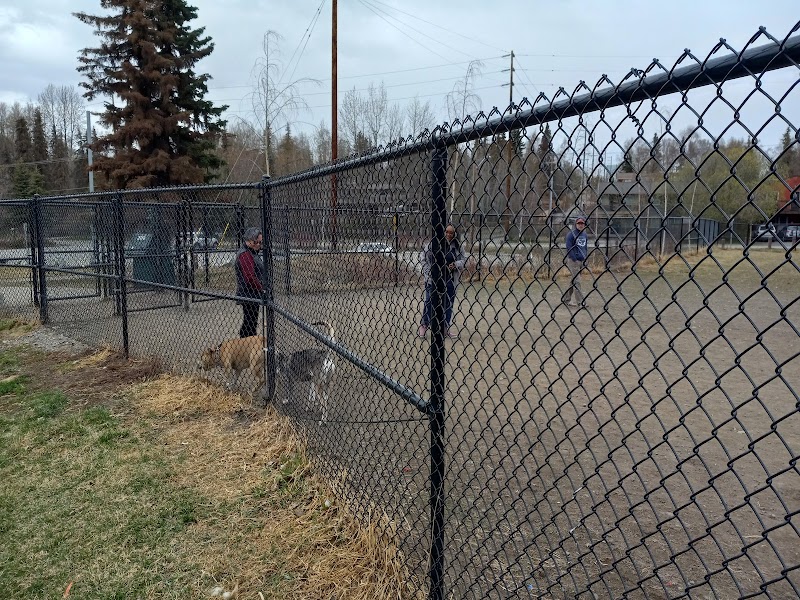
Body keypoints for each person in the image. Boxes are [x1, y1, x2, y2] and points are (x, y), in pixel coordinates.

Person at [418, 224, 466, 339]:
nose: (449, 234)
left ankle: (445, 327)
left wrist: (456, 264)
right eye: (447, 232)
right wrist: (429, 272)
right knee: (430, 302)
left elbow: (463, 260)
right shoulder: (434, 243)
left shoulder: (458, 246)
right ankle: (424, 326)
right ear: (443, 232)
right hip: (433, 280)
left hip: (449, 279)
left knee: (448, 304)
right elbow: (423, 258)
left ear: (455, 234)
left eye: (451, 233)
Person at [234, 227, 264, 338]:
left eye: (261, 242)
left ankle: (247, 344)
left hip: (252, 293)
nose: (260, 244)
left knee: (250, 322)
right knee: (250, 323)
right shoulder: (245, 254)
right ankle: (247, 344)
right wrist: (262, 288)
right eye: (257, 242)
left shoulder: (252, 252)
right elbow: (249, 278)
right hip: (249, 294)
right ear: (250, 241)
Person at [562, 216, 588, 308]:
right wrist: (574, 258)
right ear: (576, 224)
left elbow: (585, 247)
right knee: (577, 281)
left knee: (574, 281)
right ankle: (580, 302)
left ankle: (566, 299)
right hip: (574, 261)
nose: (580, 225)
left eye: (582, 223)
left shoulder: (584, 234)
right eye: (579, 223)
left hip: (581, 260)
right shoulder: (571, 234)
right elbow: (569, 247)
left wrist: (585, 258)